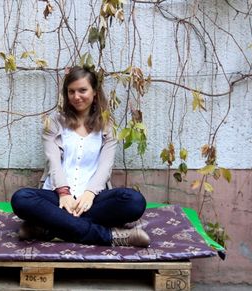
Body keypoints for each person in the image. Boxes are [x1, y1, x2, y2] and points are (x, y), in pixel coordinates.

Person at [11, 66, 150, 247]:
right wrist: (64, 193)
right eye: (71, 92)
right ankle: (111, 237)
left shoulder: (108, 125)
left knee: (134, 201)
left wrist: (90, 194)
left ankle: (47, 228)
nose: (76, 96)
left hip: (93, 199)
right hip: (57, 198)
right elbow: (54, 162)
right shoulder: (54, 123)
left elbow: (105, 166)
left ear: (94, 93)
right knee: (21, 198)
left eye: (82, 90)